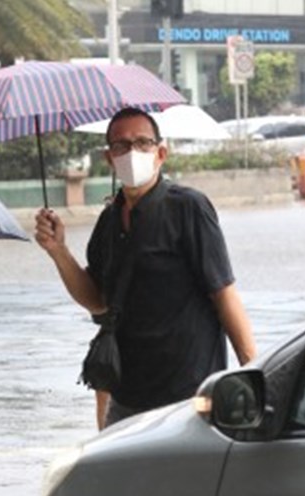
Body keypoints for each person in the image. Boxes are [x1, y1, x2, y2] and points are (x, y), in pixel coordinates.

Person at [35, 107, 257, 428]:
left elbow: (224, 294)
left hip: (188, 395)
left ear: (160, 153)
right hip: (127, 397)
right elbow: (97, 300)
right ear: (109, 158)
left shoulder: (188, 208)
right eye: (121, 145)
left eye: (142, 143)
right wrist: (58, 251)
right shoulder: (109, 221)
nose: (132, 153)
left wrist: (251, 373)